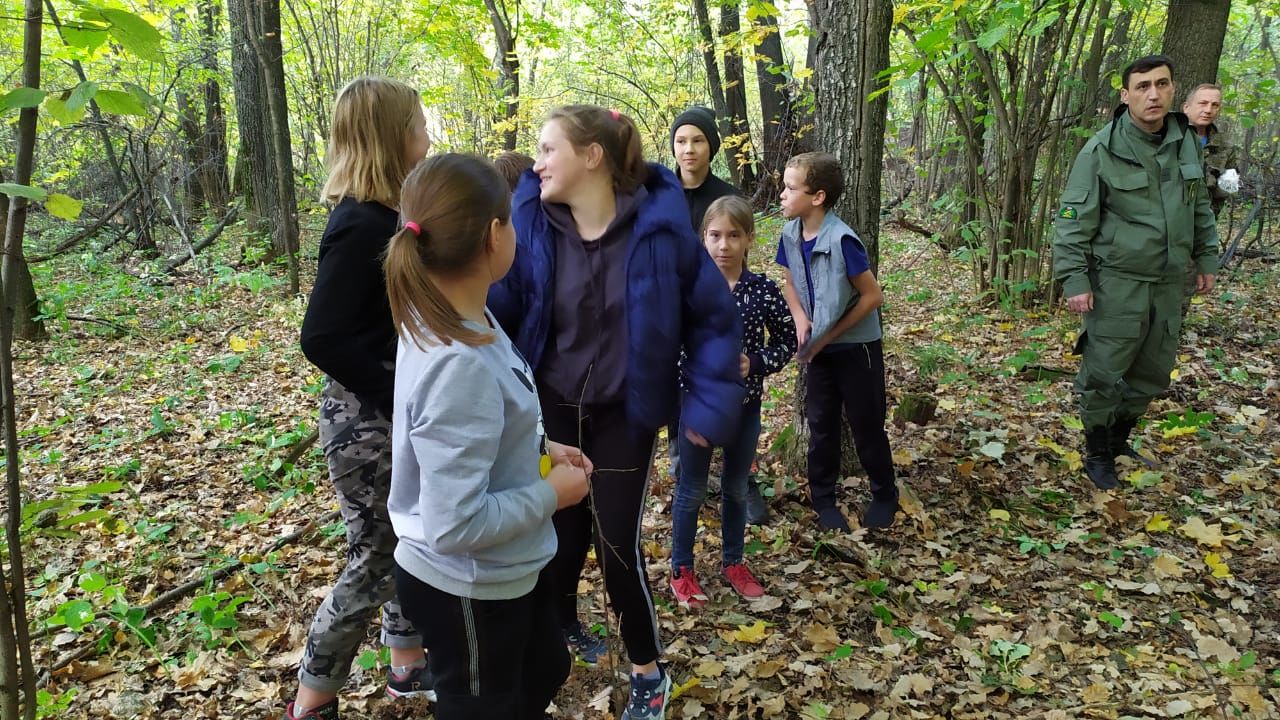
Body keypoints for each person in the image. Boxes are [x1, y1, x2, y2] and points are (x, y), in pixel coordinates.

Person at [489, 104, 744, 720]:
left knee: (616, 544)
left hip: (626, 414)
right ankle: (558, 638)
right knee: (557, 534)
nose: (538, 162)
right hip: (550, 409)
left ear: (592, 156)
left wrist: (707, 405)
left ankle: (647, 671)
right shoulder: (532, 223)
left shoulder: (661, 229)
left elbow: (713, 319)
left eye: (549, 149)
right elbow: (496, 307)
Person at [384, 153, 592, 719]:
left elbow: (474, 429)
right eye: (513, 221)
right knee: (484, 705)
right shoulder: (457, 359)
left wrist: (540, 448)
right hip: (467, 587)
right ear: (494, 235)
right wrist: (554, 494)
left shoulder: (462, 315)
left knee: (546, 666)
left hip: (505, 571)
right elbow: (455, 524)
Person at [290, 77, 434, 720]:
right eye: (419, 124)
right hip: (364, 424)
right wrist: (393, 390)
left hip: (392, 413)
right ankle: (312, 698)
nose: (427, 136)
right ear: (390, 137)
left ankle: (407, 665)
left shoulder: (388, 217)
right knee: (373, 558)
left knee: (405, 539)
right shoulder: (358, 223)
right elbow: (320, 336)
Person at [1053, 55, 1219, 490]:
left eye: (1161, 85)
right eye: (1142, 86)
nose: (1153, 94)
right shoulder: (1101, 149)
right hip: (1118, 283)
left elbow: (1198, 204)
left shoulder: (1185, 139)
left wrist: (1206, 258)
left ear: (1172, 90)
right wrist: (1075, 280)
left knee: (1152, 372)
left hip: (1169, 283)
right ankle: (1097, 451)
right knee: (1104, 372)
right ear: (1125, 96)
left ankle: (1118, 437)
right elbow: (1072, 221)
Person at [670, 196, 794, 608]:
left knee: (737, 488)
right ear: (703, 238)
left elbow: (787, 340)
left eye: (733, 236)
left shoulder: (761, 291)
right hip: (696, 408)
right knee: (690, 489)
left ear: (748, 240)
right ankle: (681, 569)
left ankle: (733, 562)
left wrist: (754, 362)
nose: (724, 245)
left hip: (744, 407)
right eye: (715, 235)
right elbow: (666, 344)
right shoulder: (688, 290)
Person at [775, 152, 898, 532]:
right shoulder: (791, 234)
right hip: (819, 350)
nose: (781, 194)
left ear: (818, 197)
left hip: (856, 348)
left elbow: (872, 296)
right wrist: (800, 318)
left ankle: (885, 495)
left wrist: (830, 333)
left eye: (790, 188)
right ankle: (824, 501)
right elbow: (791, 281)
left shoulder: (843, 239)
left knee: (866, 425)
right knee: (821, 425)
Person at [666, 107, 770, 525]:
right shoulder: (660, 195)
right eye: (681, 141)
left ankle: (743, 483)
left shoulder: (727, 196)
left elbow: (739, 251)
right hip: (673, 309)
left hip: (720, 309)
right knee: (681, 394)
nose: (688, 149)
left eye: (697, 141)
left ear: (712, 146)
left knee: (732, 397)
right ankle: (685, 477)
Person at [1182, 83, 1239, 214]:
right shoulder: (1169, 138)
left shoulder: (1225, 146)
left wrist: (1210, 215)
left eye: (1215, 105)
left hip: (1203, 221)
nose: (1208, 110)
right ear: (1186, 107)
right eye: (1203, 103)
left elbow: (1229, 187)